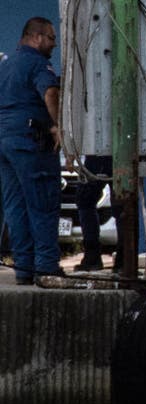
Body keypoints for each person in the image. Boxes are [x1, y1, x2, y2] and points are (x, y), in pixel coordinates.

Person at [0, 17, 64, 285]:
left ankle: (24, 268)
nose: (54, 45)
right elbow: (50, 93)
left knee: (15, 206)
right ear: (36, 37)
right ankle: (46, 267)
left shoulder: (5, 66)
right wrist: (59, 125)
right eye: (51, 38)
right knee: (43, 203)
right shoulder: (38, 64)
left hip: (4, 141)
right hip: (30, 141)